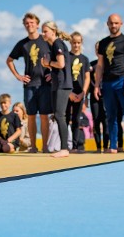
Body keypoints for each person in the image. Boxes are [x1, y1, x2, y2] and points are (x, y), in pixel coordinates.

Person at [6, 12, 52, 153]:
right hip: (29, 85)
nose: (29, 25)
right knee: (31, 116)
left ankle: (45, 147)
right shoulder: (22, 44)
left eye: (32, 22)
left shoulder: (46, 41)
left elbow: (59, 58)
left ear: (37, 24)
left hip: (45, 84)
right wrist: (18, 76)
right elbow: (9, 60)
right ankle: (34, 146)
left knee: (44, 116)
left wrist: (53, 73)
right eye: (26, 23)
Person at [94, 14, 124, 154]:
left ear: (121, 23)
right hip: (107, 83)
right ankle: (113, 146)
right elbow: (100, 65)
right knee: (111, 115)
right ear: (107, 24)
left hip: (123, 80)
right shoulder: (103, 43)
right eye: (111, 23)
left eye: (116, 23)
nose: (113, 26)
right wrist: (96, 85)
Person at [40, 21, 73, 158]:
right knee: (58, 115)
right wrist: (48, 66)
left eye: (45, 31)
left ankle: (64, 148)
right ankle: (63, 147)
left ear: (53, 31)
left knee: (60, 115)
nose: (43, 33)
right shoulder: (53, 45)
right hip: (57, 83)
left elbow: (61, 64)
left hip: (62, 84)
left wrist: (48, 63)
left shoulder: (58, 44)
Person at [66, 32, 91, 153]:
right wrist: (69, 93)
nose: (76, 45)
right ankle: (64, 145)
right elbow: (64, 76)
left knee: (76, 119)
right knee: (65, 119)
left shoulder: (85, 59)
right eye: (74, 42)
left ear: (81, 43)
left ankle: (75, 146)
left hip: (80, 93)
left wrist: (83, 93)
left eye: (78, 42)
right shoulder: (66, 57)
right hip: (67, 93)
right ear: (70, 43)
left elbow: (87, 77)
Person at [88, 42, 109, 153]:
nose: (98, 51)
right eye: (97, 49)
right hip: (94, 97)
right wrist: (85, 97)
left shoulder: (109, 65)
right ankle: (98, 147)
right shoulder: (91, 65)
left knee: (106, 122)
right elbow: (86, 82)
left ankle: (106, 147)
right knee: (96, 121)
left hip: (107, 97)